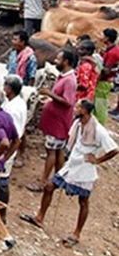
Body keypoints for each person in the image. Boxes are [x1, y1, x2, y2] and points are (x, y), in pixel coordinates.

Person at [22, 99, 118, 246]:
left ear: (85, 111)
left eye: (78, 107)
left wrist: (97, 160)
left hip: (85, 169)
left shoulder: (98, 130)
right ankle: (39, 217)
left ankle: (77, 233)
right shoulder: (78, 124)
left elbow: (114, 149)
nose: (75, 109)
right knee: (49, 187)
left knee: (83, 201)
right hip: (72, 164)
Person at [30, 50, 78, 191]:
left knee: (51, 151)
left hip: (58, 122)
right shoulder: (64, 77)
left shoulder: (69, 80)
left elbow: (68, 102)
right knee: (58, 151)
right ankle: (59, 177)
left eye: (58, 59)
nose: (55, 61)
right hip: (56, 120)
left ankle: (43, 181)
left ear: (66, 62)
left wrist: (49, 93)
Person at [100, 28, 119, 121]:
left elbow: (106, 70)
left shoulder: (112, 53)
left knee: (100, 103)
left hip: (106, 80)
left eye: (102, 35)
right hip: (109, 79)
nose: (100, 37)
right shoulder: (111, 50)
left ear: (107, 38)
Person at [75, 39, 100, 103]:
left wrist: (70, 85)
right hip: (88, 95)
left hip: (83, 96)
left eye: (81, 49)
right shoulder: (90, 62)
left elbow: (84, 85)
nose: (78, 51)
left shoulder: (86, 66)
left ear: (88, 51)